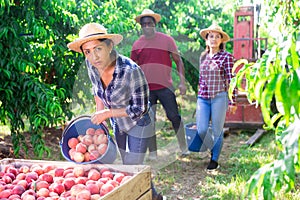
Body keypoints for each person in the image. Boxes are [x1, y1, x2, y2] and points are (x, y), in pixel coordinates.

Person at [67, 22, 163, 200]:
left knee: (132, 165)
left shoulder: (131, 71)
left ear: (110, 45)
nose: (94, 56)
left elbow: (140, 108)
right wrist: (100, 114)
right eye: (87, 52)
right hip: (117, 121)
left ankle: (148, 197)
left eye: (98, 49)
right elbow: (97, 90)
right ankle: (154, 196)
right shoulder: (92, 65)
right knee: (128, 164)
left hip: (139, 121)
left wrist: (108, 113)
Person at [131, 9, 189, 160]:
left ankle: (183, 147)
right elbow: (133, 69)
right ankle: (153, 153)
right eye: (144, 24)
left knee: (174, 117)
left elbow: (178, 61)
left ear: (155, 24)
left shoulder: (167, 40)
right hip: (146, 90)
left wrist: (182, 83)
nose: (147, 27)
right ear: (141, 27)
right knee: (149, 121)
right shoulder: (137, 45)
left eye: (150, 23)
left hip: (165, 87)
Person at [197, 23, 237, 170]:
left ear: (221, 40)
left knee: (217, 130)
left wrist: (232, 100)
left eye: (217, 37)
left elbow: (232, 79)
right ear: (207, 40)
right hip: (203, 97)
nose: (213, 39)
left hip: (219, 97)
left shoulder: (226, 57)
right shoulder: (203, 57)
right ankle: (212, 147)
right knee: (201, 130)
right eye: (211, 36)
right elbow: (201, 79)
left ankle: (214, 160)